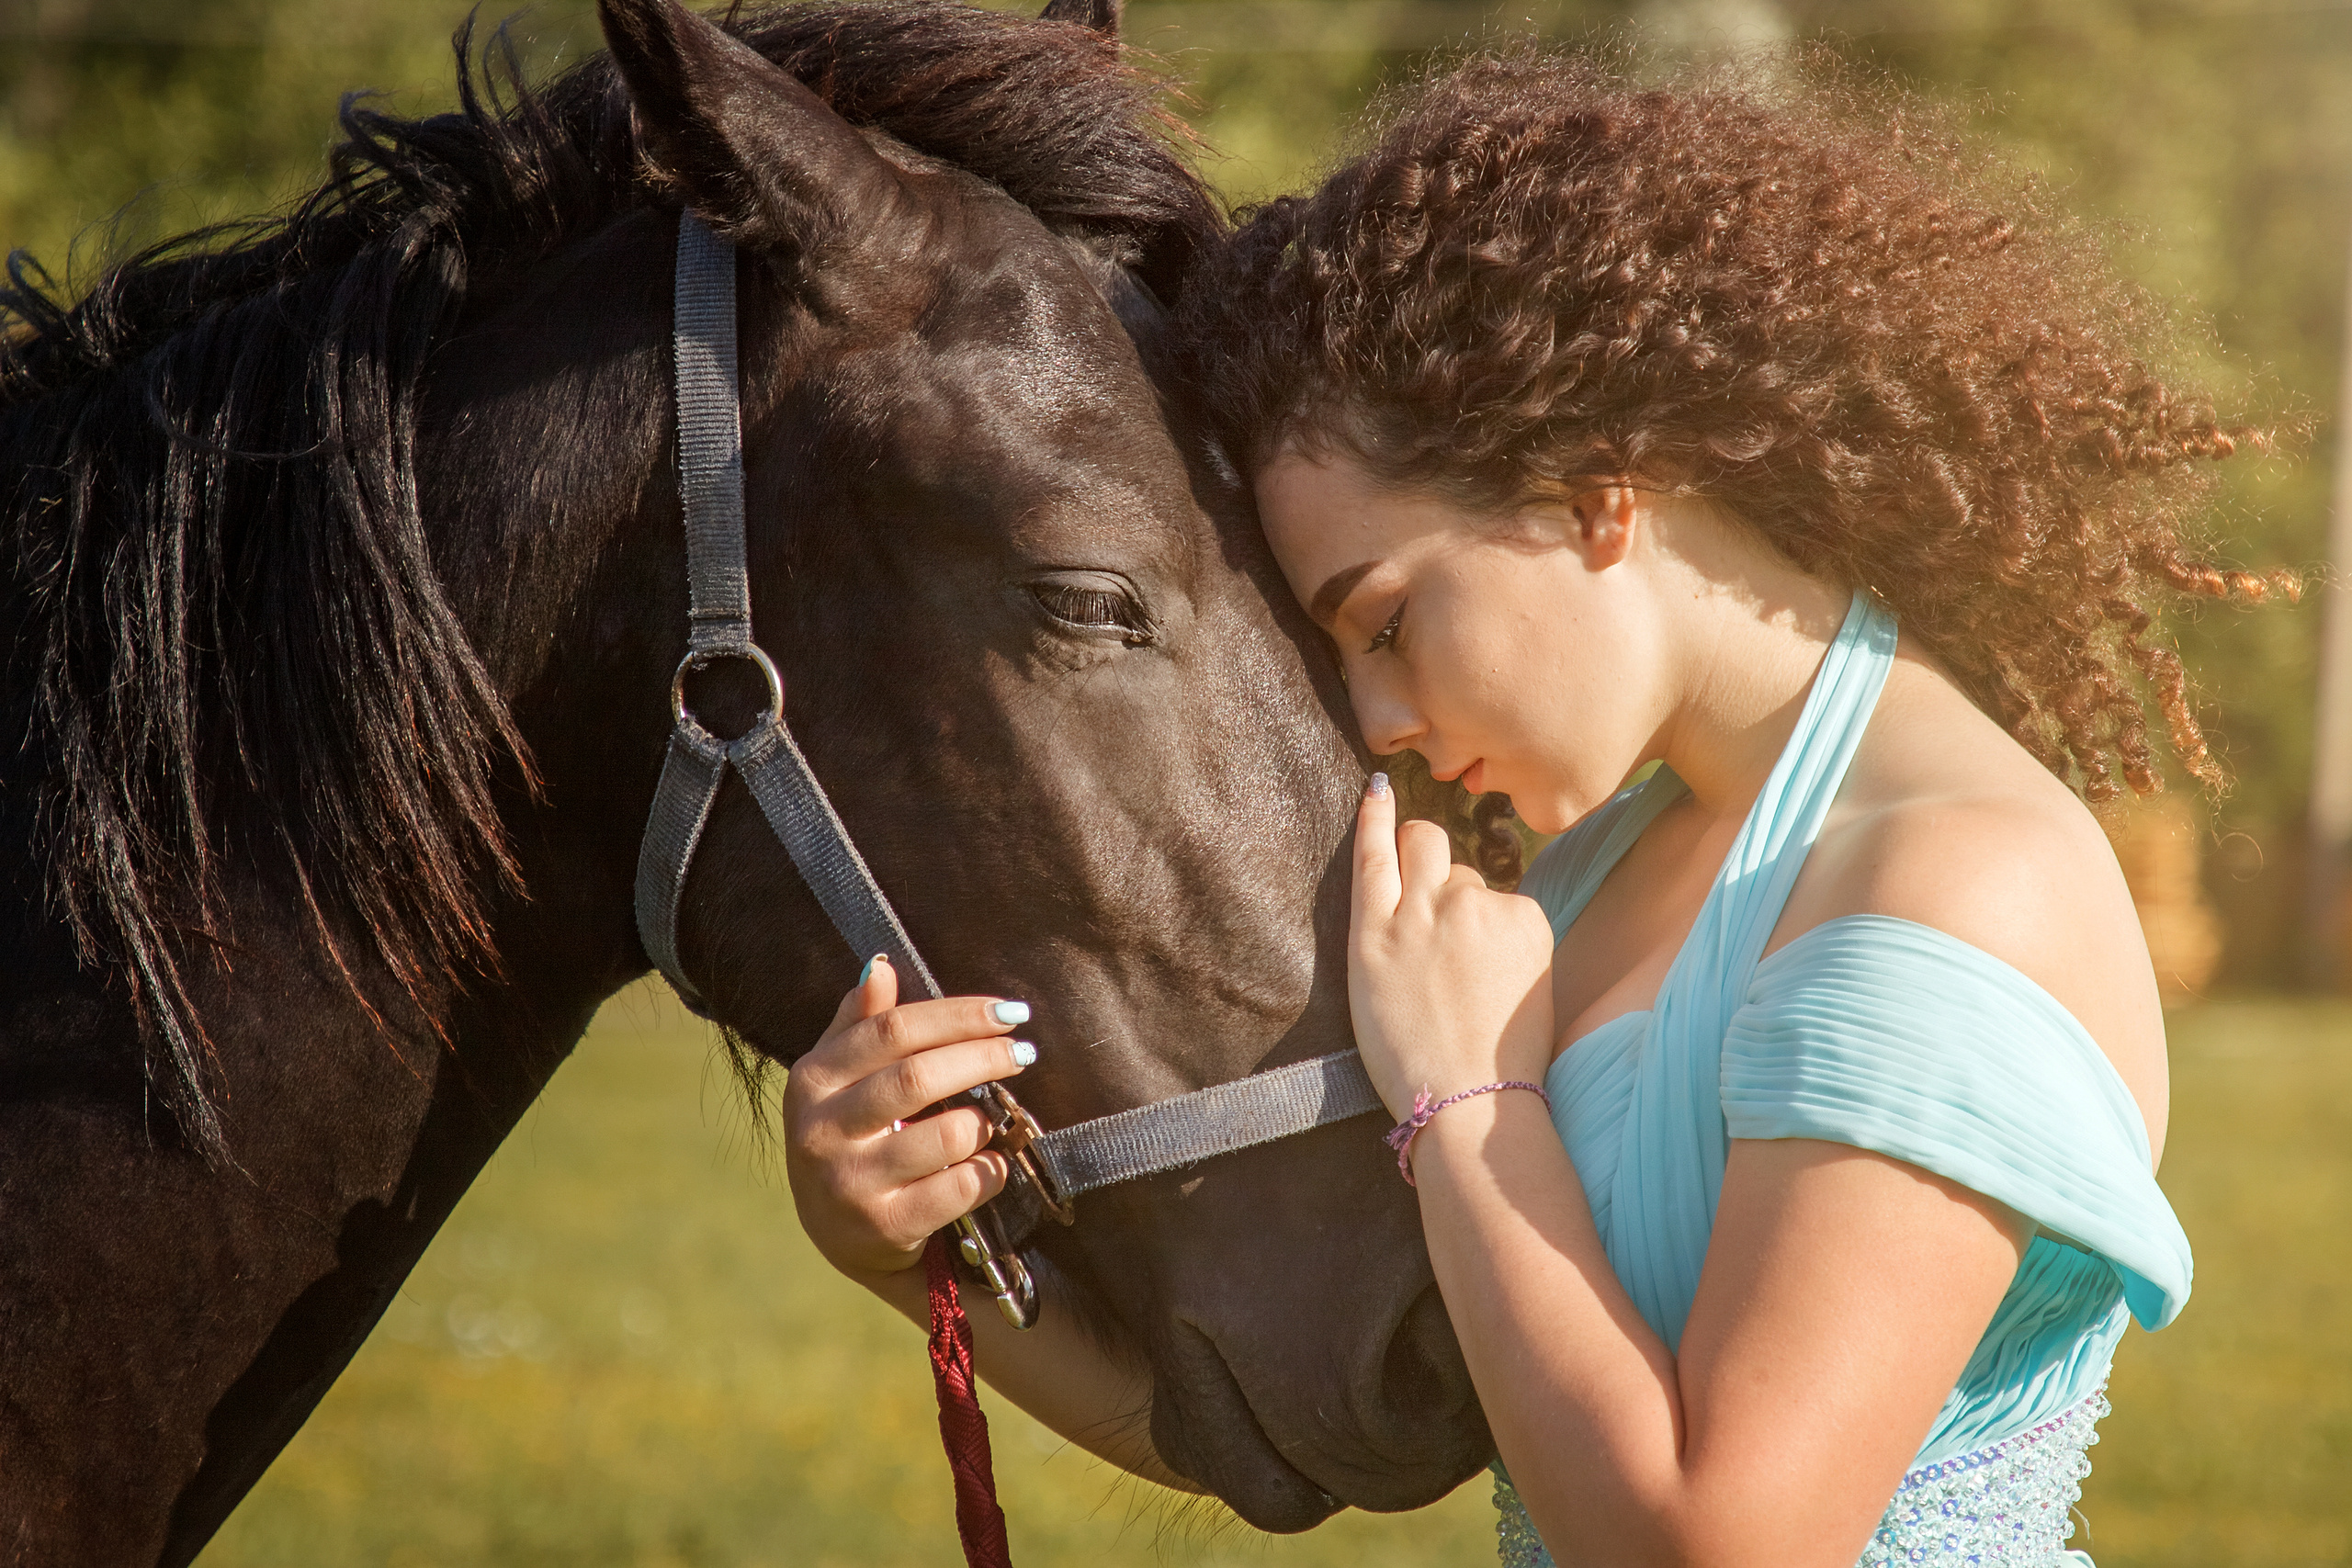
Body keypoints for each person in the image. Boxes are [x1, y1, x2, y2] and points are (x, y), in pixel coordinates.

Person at [782, 49, 2281, 1566]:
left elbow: (1719, 1547)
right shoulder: (1583, 885)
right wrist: (912, 1245)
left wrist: (1470, 1103)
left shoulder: (1960, 882)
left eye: (1386, 622)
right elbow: (1318, 1424)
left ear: (1590, 493)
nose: (1381, 718)